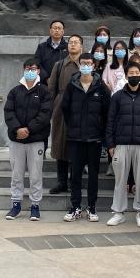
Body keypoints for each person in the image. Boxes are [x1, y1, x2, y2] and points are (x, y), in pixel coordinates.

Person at [105, 59, 140, 227]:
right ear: (126, 76)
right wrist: (110, 145)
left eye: (137, 73)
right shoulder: (117, 96)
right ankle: (118, 212)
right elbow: (110, 121)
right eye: (131, 73)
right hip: (121, 144)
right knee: (120, 181)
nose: (134, 76)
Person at [61, 55, 111, 222]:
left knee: (93, 176)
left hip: (94, 139)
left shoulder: (101, 87)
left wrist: (101, 130)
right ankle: (75, 207)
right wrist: (73, 125)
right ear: (79, 65)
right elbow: (65, 109)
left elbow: (107, 111)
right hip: (75, 139)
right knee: (75, 174)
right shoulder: (72, 86)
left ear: (94, 66)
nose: (86, 66)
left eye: (89, 64)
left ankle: (91, 207)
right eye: (83, 63)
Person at [4, 59, 53, 221]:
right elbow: (8, 112)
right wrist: (18, 129)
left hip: (36, 140)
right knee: (16, 174)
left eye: (33, 68)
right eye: (27, 68)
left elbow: (45, 115)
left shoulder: (45, 92)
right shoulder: (15, 91)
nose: (30, 71)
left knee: (35, 175)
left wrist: (29, 129)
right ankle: (16, 204)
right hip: (16, 140)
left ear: (38, 71)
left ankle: (35, 206)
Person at [47, 34, 85, 195]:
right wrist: (51, 109)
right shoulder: (59, 64)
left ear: (82, 46)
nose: (73, 45)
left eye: (76, 42)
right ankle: (61, 181)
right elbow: (51, 89)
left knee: (76, 145)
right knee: (60, 144)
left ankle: (74, 181)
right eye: (70, 42)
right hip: (61, 108)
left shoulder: (85, 65)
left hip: (81, 107)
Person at [33, 19, 67, 84]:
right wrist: (46, 78)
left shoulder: (68, 47)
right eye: (55, 28)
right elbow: (37, 64)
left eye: (59, 28)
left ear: (63, 31)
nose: (57, 30)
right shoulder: (42, 47)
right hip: (44, 83)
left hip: (62, 83)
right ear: (50, 31)